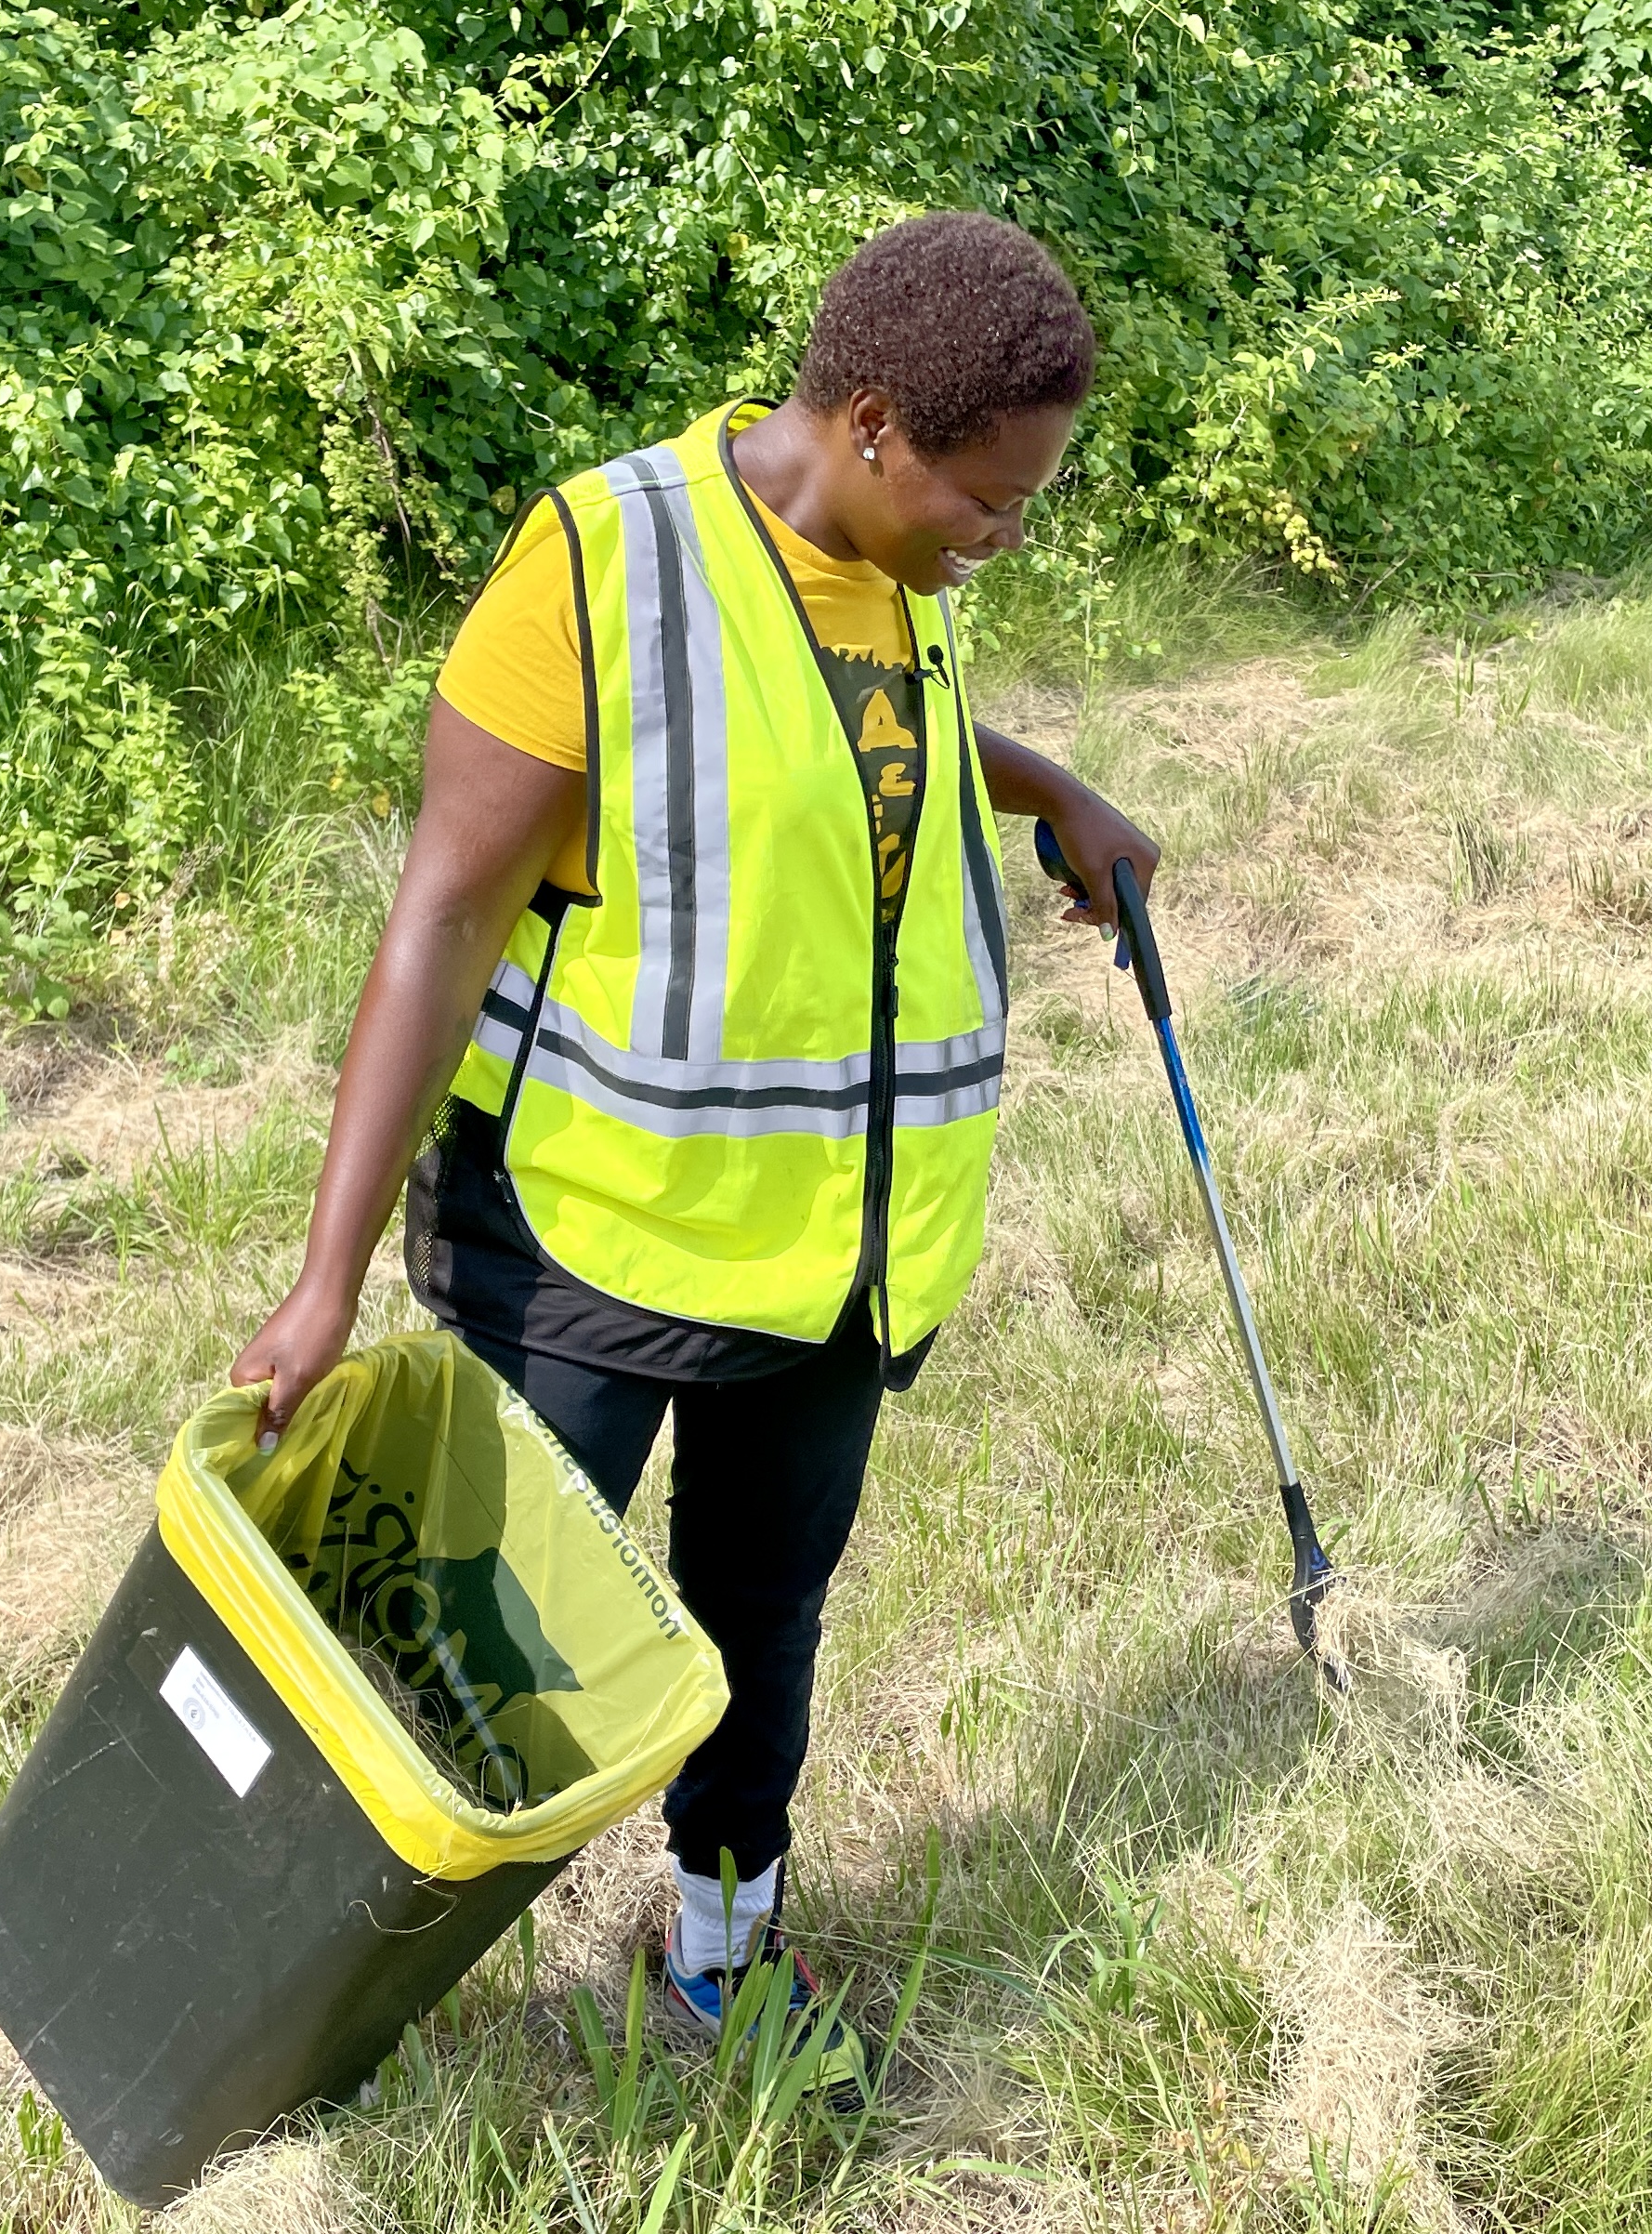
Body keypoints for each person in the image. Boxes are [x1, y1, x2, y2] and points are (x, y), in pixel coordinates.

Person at [229, 211, 1155, 2092]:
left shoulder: (906, 580)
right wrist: (323, 1278)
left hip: (836, 1261)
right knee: (485, 1642)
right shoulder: (604, 558)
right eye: (996, 496)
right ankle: (285, 1990)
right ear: (875, 423)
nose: (1011, 534)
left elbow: (847, 746)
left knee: (761, 1617)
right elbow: (441, 915)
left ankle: (724, 1947)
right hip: (592, 1240)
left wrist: (1046, 781)